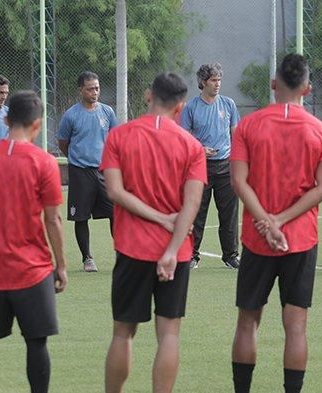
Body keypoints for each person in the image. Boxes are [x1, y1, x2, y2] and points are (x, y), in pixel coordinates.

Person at [230, 54, 322, 393]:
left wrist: (266, 221)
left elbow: (238, 181)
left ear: (274, 83)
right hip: (301, 239)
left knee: (248, 321)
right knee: (296, 326)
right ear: (307, 88)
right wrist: (282, 220)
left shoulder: (248, 125)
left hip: (256, 238)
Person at [102, 72, 205, 393]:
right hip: (177, 252)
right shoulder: (191, 146)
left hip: (132, 247)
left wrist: (158, 219)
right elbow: (192, 205)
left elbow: (115, 192)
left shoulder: (119, 136)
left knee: (123, 333)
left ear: (149, 95)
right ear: (181, 106)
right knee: (169, 334)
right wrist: (172, 248)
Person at [0, 91, 68, 393]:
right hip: (33, 272)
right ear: (38, 125)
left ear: (6, 120)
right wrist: (61, 265)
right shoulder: (44, 162)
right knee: (36, 343)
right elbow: (53, 220)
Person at [181, 63, 240, 269]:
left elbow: (236, 134)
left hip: (225, 165)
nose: (217, 84)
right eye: (213, 80)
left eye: (219, 80)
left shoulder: (228, 104)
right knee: (196, 212)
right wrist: (199, 149)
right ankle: (191, 255)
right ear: (203, 82)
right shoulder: (191, 107)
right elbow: (184, 137)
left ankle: (231, 255)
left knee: (230, 214)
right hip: (199, 166)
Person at [57, 71, 118, 272]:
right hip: (80, 172)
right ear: (80, 90)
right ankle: (87, 258)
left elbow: (115, 139)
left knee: (115, 212)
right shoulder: (71, 115)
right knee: (80, 216)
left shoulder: (107, 112)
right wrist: (78, 158)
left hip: (103, 171)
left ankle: (121, 253)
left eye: (97, 88)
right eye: (90, 88)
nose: (95, 92)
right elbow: (63, 143)